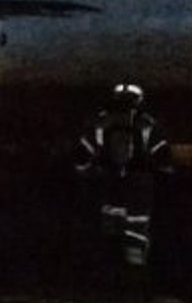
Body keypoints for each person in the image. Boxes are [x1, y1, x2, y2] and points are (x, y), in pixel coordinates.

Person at [74, 82, 172, 269]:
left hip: (108, 181)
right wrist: (165, 175)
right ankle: (135, 270)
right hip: (140, 183)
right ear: (139, 100)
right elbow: (163, 156)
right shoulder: (147, 124)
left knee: (110, 224)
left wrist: (84, 173)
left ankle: (108, 268)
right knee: (137, 225)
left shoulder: (100, 122)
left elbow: (83, 154)